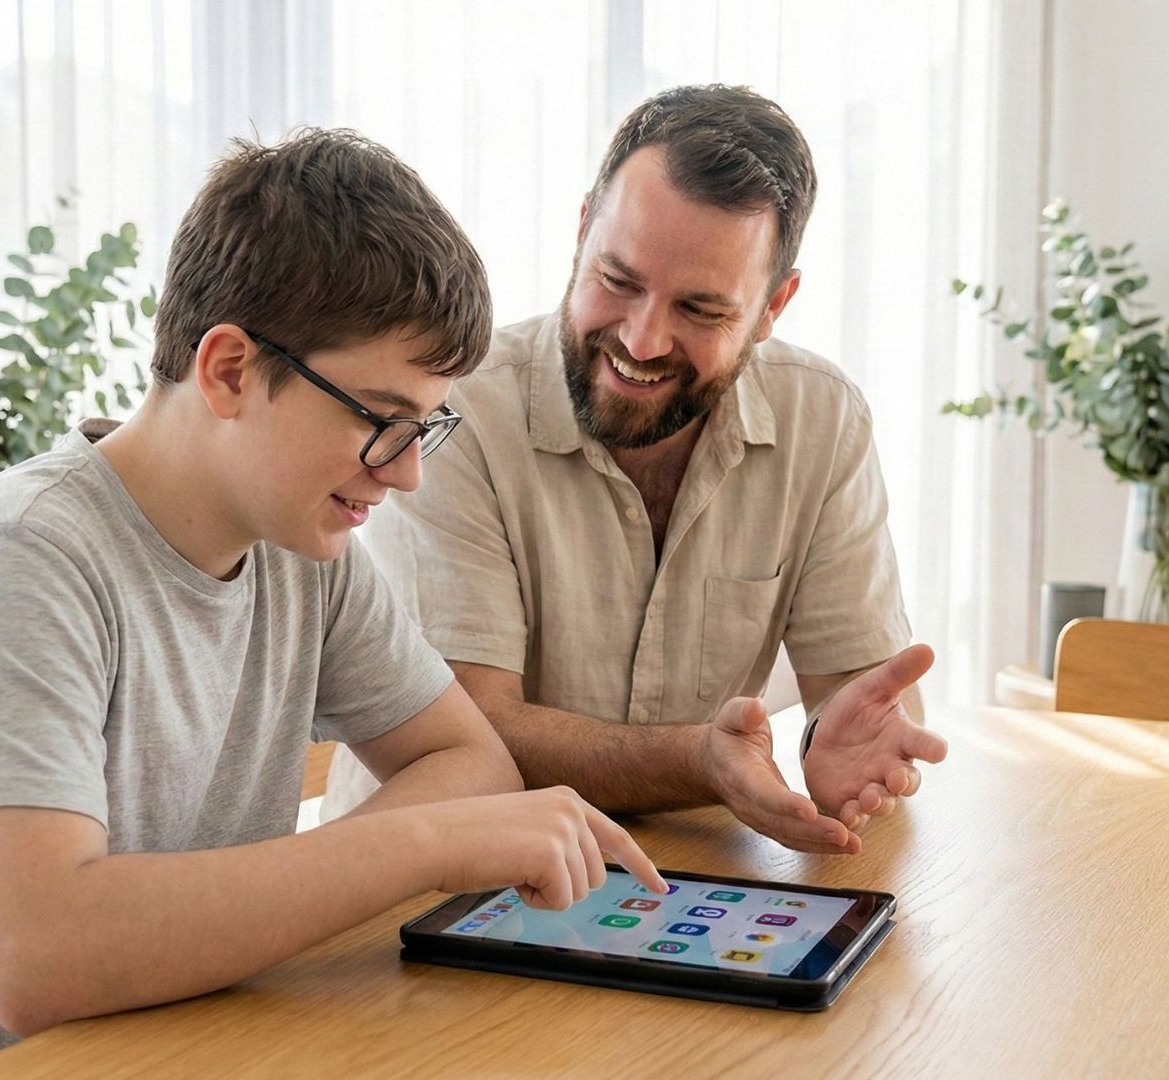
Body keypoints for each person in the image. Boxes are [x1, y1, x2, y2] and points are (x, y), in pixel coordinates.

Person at [0, 129, 665, 1079]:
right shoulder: (19, 561)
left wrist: (376, 856)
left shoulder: (301, 549)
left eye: (423, 428)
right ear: (230, 369)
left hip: (174, 1045)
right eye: (380, 420)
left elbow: (468, 759)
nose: (405, 474)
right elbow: (37, 958)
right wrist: (420, 845)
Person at [325, 86, 947, 854]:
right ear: (582, 230)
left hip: (687, 873)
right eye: (618, 282)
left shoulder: (822, 418)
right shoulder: (455, 409)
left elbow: (864, 699)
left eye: (701, 310)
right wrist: (701, 762)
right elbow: (466, 735)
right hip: (441, 877)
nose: (642, 341)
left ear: (773, 306)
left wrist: (845, 742)